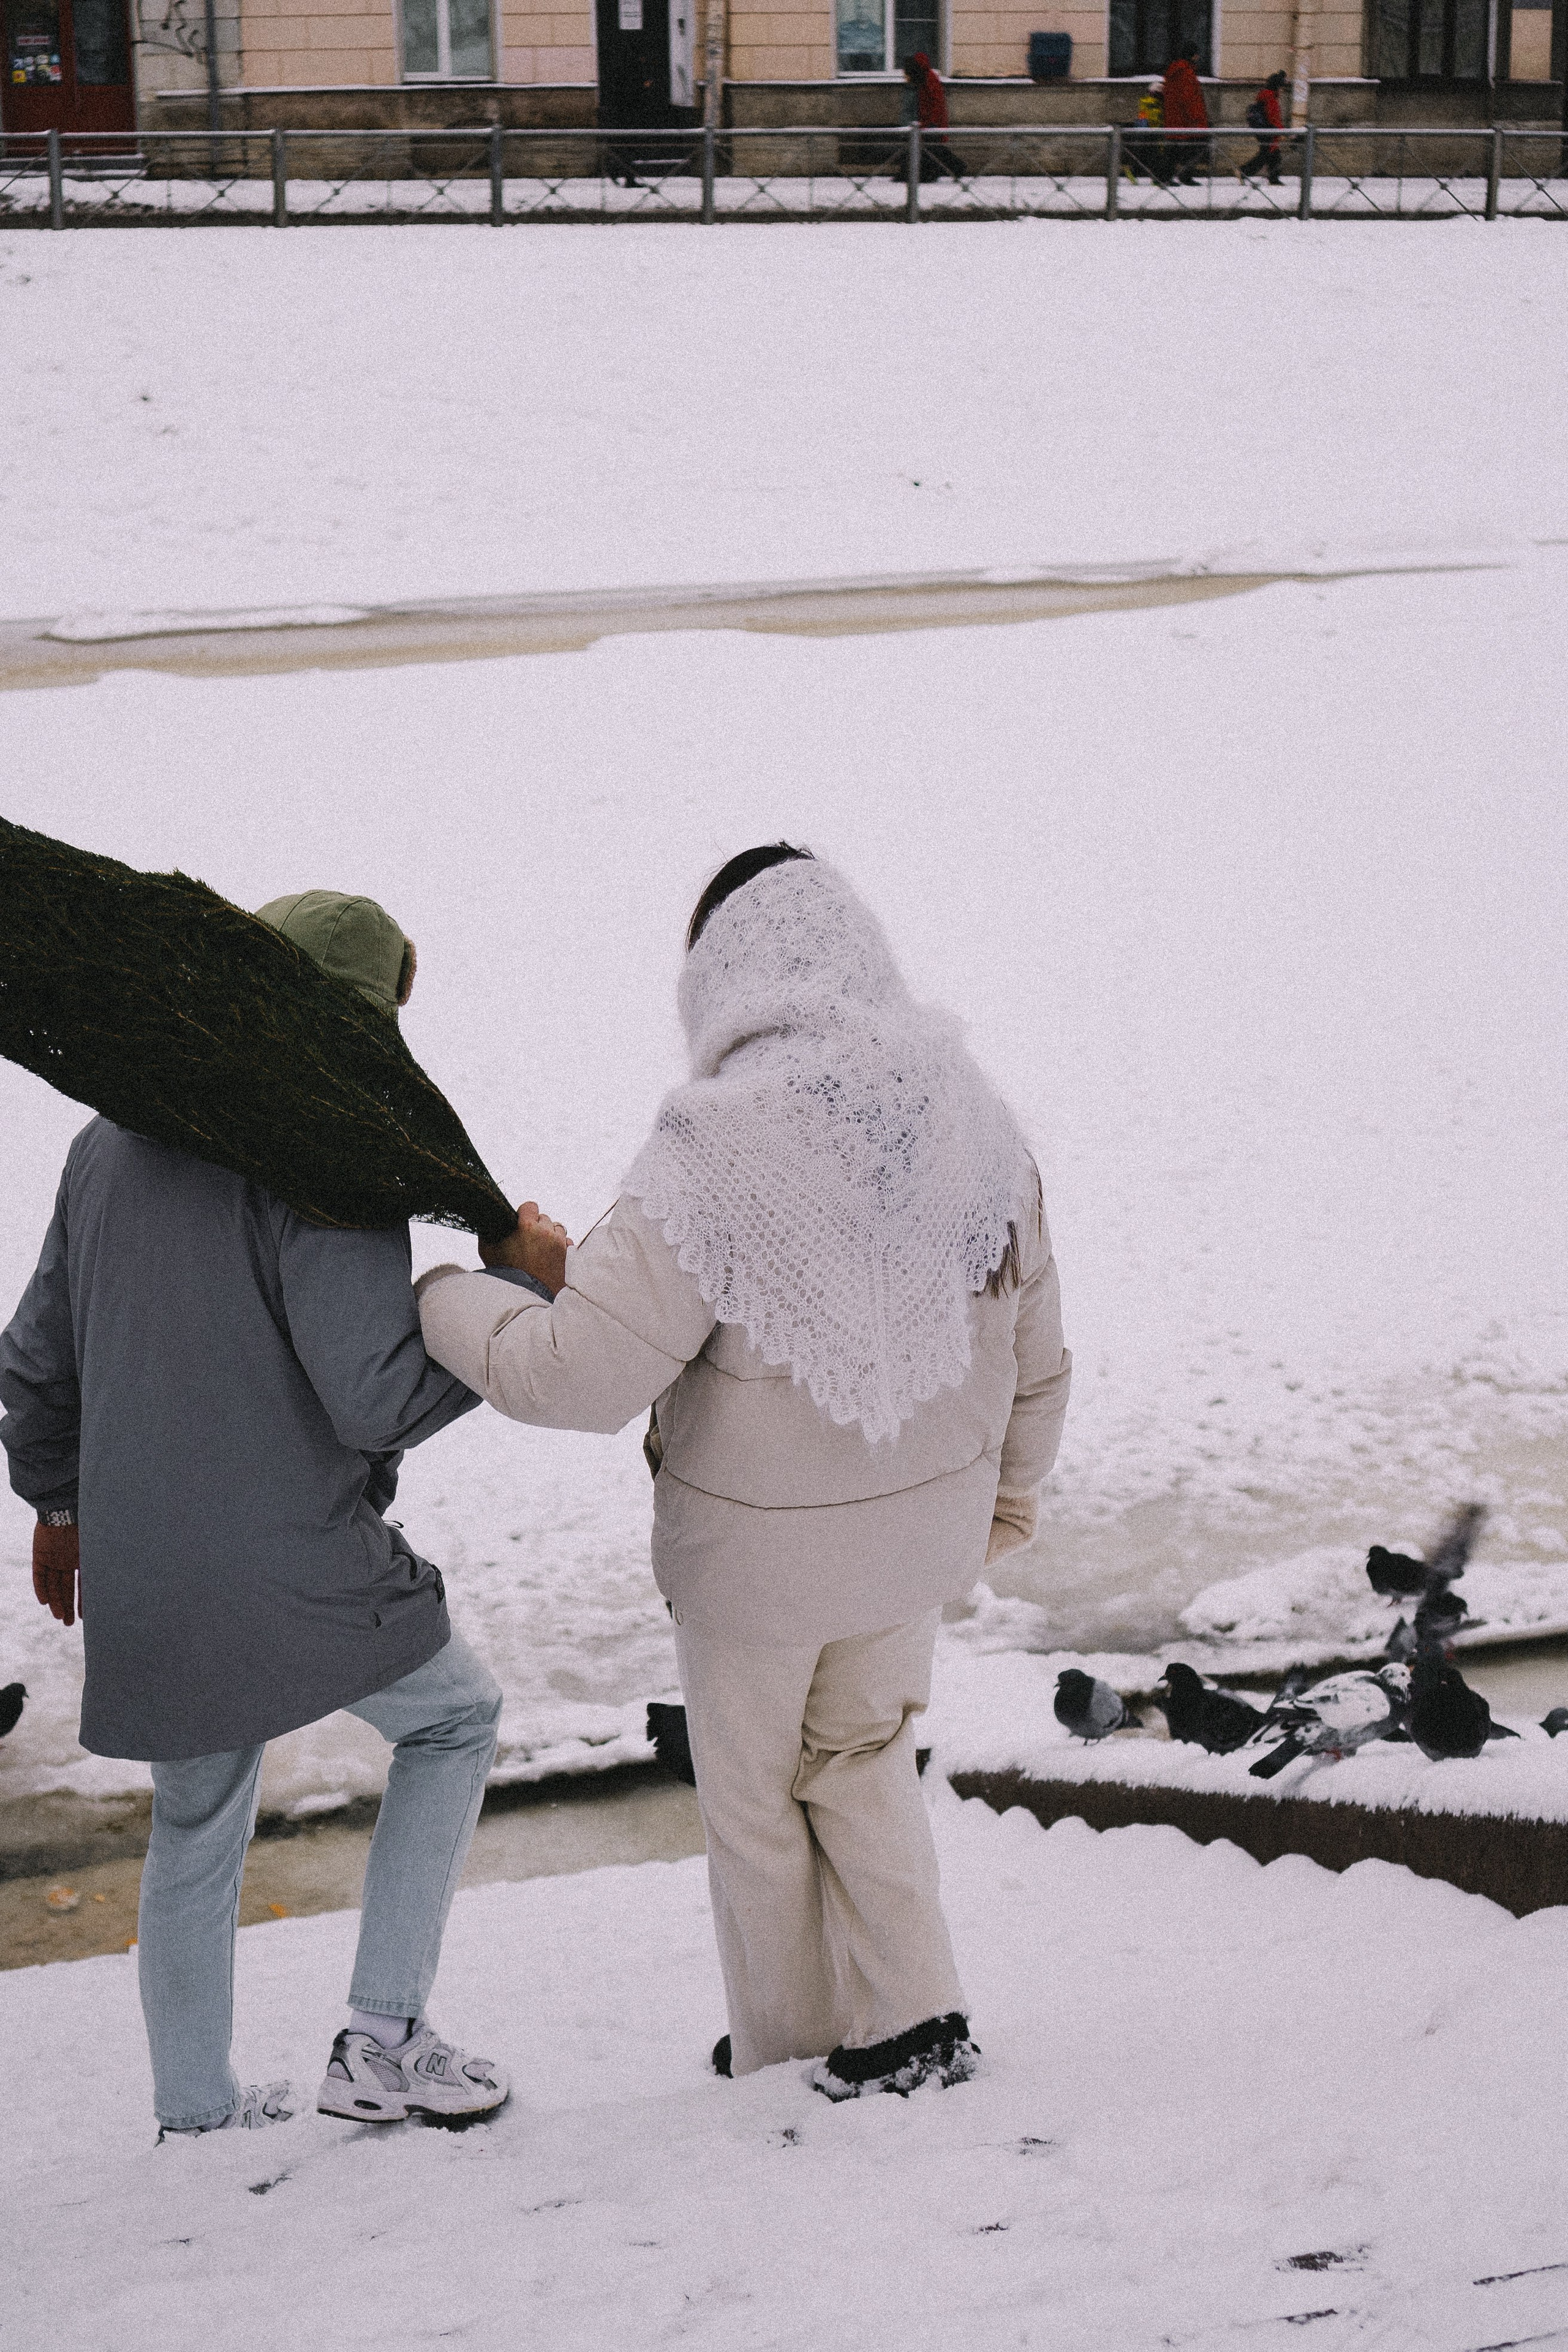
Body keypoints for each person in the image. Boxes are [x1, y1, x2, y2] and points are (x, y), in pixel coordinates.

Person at [418, 846, 1072, 2099]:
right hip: (913, 1544)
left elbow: (574, 1375)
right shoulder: (977, 1126)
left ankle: (788, 2050)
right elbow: (1036, 1356)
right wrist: (1006, 1498)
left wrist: (445, 1294)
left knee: (757, 1801)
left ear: (717, 981)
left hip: (752, 1572)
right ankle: (913, 2018)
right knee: (865, 1757)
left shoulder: (709, 1156)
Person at [0, 889, 511, 2138]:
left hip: (143, 1560)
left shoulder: (114, 1136)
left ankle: (194, 2108)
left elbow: (32, 1361)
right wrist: (504, 1305)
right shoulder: (327, 1154)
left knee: (196, 1818)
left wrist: (59, 1506)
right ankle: (382, 2040)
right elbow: (375, 1396)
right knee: (453, 1721)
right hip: (291, 1560)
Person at [902, 51, 966, 181]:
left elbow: (935, 103)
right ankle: (928, 174)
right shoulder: (925, 78)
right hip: (929, 121)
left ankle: (956, 168)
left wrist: (930, 123)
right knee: (932, 149)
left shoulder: (929, 79)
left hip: (932, 122)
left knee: (934, 150)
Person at [1161, 42, 1210, 184]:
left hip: (1176, 116)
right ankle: (1179, 176)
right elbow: (1189, 98)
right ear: (1192, 56)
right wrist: (1197, 118)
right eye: (1196, 54)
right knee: (1190, 149)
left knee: (1176, 149)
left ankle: (1169, 177)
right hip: (1186, 119)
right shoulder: (1185, 72)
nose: (1198, 57)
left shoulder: (1177, 70)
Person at [1239, 69, 1287, 184]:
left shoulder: (1266, 95)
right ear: (1277, 87)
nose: (1282, 90)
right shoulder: (1271, 98)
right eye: (1282, 87)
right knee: (1266, 155)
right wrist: (1280, 131)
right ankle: (1243, 171)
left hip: (1265, 130)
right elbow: (1273, 117)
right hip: (1269, 130)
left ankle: (1273, 179)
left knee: (1273, 155)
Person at [1125, 78, 1165, 182]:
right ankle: (1155, 179)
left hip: (1145, 132)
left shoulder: (1145, 102)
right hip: (1152, 132)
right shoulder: (1155, 105)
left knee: (1147, 157)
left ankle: (1135, 173)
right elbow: (1155, 119)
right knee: (1154, 157)